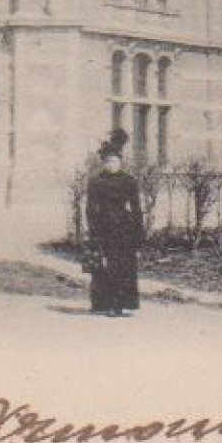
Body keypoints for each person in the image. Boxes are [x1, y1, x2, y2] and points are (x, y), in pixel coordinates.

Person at [85, 129, 144, 317]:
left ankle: (120, 304)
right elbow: (90, 208)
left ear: (121, 161)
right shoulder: (96, 182)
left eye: (115, 161)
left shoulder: (129, 181)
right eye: (108, 161)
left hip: (123, 228)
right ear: (103, 162)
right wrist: (93, 229)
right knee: (103, 266)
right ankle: (102, 303)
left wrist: (138, 234)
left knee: (123, 267)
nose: (111, 164)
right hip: (103, 227)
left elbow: (136, 209)